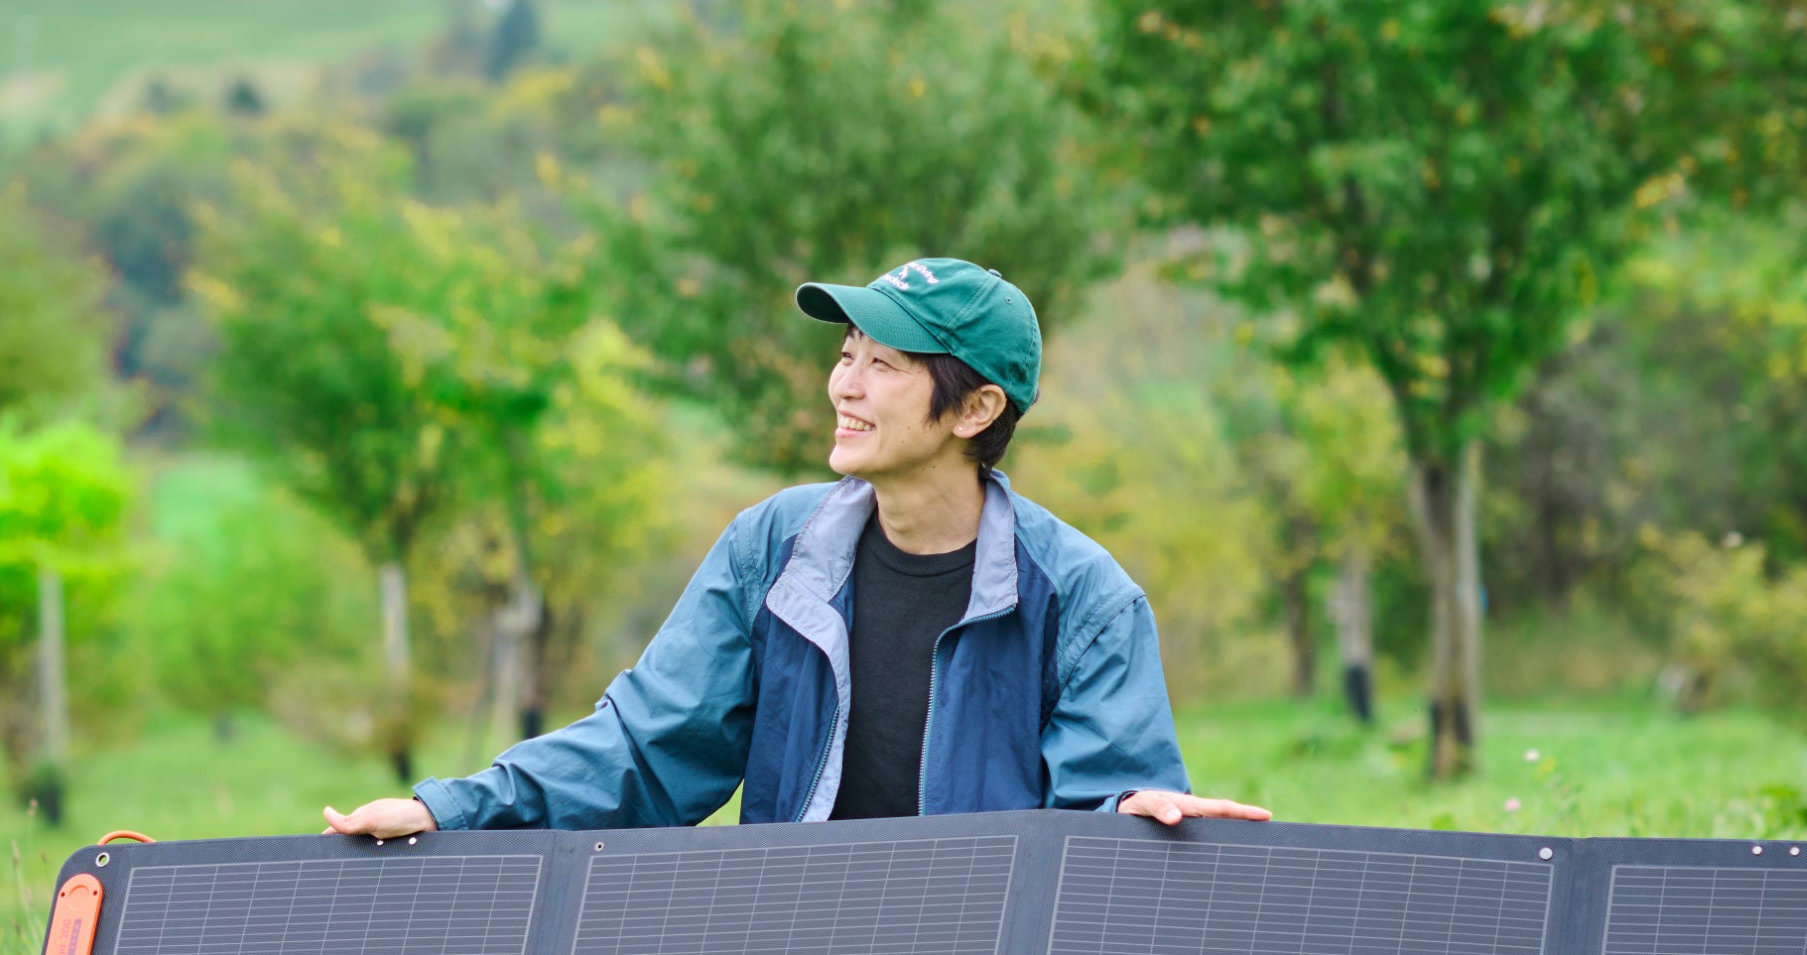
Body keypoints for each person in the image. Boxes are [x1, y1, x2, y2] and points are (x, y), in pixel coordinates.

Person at [324, 258, 1268, 839]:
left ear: (976, 408)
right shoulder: (772, 549)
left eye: (883, 364)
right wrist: (452, 806)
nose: (843, 385)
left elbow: (1105, 818)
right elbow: (646, 749)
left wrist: (1133, 819)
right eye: (846, 353)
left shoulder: (1086, 602)